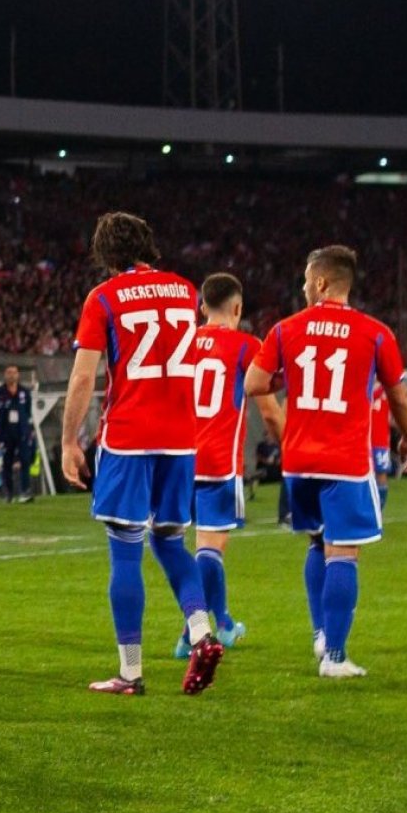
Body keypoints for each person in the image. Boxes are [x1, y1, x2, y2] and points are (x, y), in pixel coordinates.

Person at [62, 211, 223, 697]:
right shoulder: (183, 290)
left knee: (125, 548)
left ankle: (130, 673)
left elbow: (84, 376)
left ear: (105, 254)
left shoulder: (103, 298)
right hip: (180, 436)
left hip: (130, 435)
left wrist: (70, 440)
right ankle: (201, 631)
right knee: (171, 541)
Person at [244, 245, 407, 678]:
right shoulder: (375, 332)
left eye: (307, 279)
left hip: (300, 460)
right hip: (346, 460)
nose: (304, 286)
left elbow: (254, 383)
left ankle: (321, 635)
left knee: (314, 542)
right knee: (343, 552)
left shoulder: (287, 329)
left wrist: (294, 382)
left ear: (322, 282)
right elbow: (398, 394)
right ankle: (337, 658)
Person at [176, 273, 283, 660]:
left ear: (202, 307)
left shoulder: (181, 343)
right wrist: (291, 447)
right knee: (210, 547)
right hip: (218, 461)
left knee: (177, 546)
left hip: (175, 459)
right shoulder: (246, 346)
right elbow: (269, 411)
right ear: (237, 308)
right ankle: (194, 633)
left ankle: (220, 622)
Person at [0, 365, 35, 503]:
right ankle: (8, 493)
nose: (12, 375)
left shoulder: (24, 392)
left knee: (25, 461)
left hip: (21, 432)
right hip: (5, 433)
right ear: (4, 375)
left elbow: (27, 411)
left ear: (18, 375)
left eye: (14, 372)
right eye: (9, 372)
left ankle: (25, 491)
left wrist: (28, 429)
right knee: (7, 463)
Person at [370, 382, 392, 508]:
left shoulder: (389, 388)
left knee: (381, 473)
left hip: (380, 438)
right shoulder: (366, 386)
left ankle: (379, 508)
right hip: (364, 437)